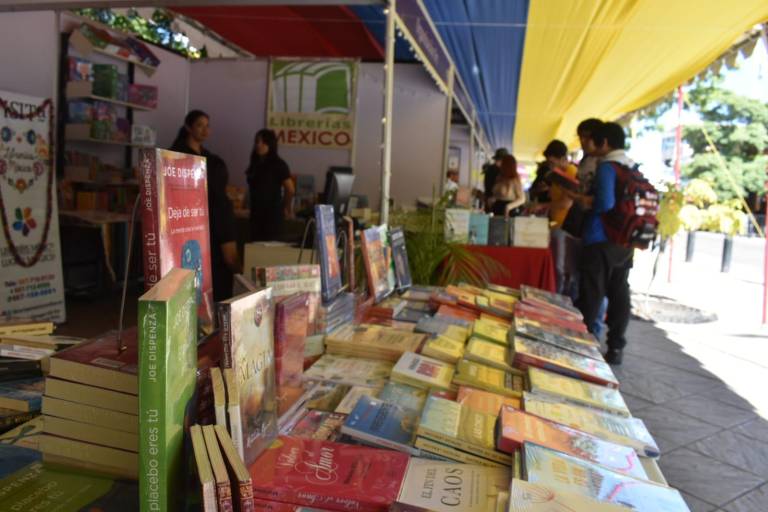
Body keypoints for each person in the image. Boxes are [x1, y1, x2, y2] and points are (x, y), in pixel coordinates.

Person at [570, 122, 635, 365]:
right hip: (625, 240)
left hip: (600, 239)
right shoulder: (630, 166)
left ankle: (582, 347)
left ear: (605, 142)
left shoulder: (607, 166)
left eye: (593, 140)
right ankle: (616, 347)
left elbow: (605, 203)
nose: (589, 144)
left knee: (592, 294)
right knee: (619, 292)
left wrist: (586, 201)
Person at [171, 110, 239, 302]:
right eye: (200, 125)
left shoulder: (210, 158)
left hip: (218, 216)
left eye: (207, 125)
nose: (205, 130)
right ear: (188, 127)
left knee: (222, 266)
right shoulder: (178, 155)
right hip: (194, 219)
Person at [246, 129, 295, 242]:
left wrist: (286, 206)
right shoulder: (256, 163)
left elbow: (290, 189)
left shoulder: (278, 164)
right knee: (254, 247)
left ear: (270, 144)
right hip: (255, 215)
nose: (258, 145)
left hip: (272, 216)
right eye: (257, 141)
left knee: (269, 246)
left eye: (263, 142)